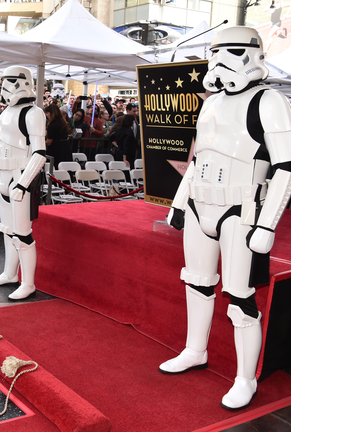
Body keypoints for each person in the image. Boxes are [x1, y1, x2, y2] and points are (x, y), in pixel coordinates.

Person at [159, 27, 292, 411]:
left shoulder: (269, 100)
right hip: (202, 202)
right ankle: (194, 349)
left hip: (242, 209)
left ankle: (245, 378)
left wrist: (268, 223)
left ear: (254, 54)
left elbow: (287, 165)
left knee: (240, 298)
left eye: (230, 51)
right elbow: (199, 157)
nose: (219, 59)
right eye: (214, 52)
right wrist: (179, 203)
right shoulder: (211, 102)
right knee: (197, 283)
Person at [0, 66, 47, 301]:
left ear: (22, 81)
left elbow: (40, 153)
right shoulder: (5, 113)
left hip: (21, 176)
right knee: (7, 230)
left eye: (8, 81)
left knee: (22, 233)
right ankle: (10, 273)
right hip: (3, 176)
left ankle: (28, 282)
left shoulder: (33, 113)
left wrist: (23, 183)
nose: (4, 87)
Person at [44, 103, 73, 168]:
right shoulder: (63, 123)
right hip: (66, 147)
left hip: (56, 149)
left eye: (47, 113)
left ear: (51, 113)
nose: (47, 115)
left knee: (55, 167)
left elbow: (49, 142)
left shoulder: (52, 125)